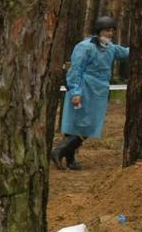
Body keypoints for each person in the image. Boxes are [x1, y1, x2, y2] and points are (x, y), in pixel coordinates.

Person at [49, 16, 129, 171]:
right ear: (99, 31)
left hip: (98, 92)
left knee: (83, 126)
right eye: (107, 30)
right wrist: (76, 92)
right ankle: (59, 151)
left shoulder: (110, 48)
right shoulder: (84, 47)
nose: (110, 33)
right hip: (84, 89)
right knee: (82, 126)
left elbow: (125, 52)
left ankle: (70, 160)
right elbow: (75, 70)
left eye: (112, 30)